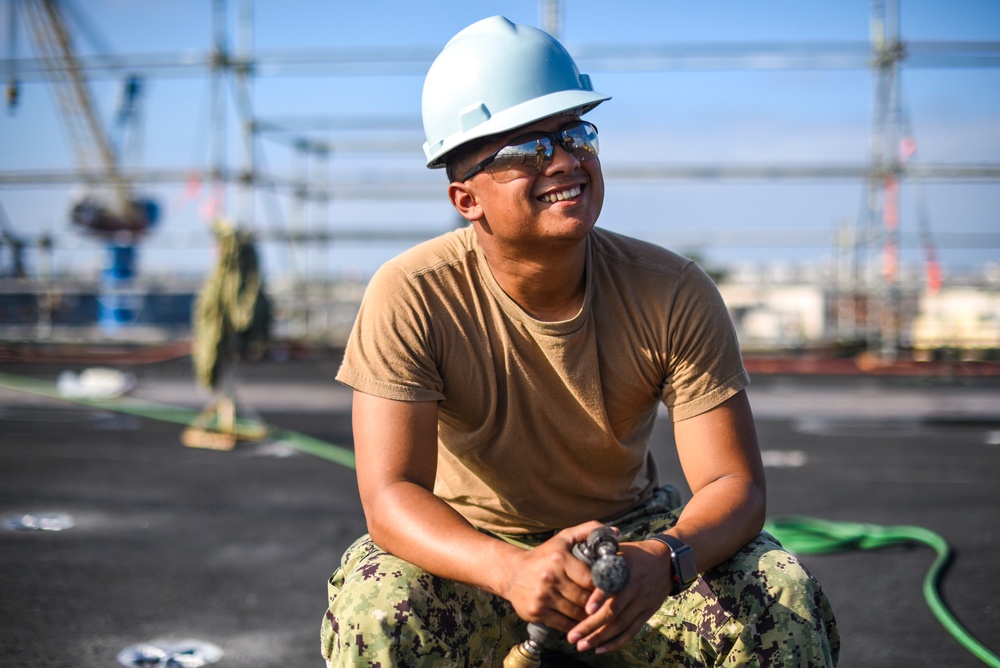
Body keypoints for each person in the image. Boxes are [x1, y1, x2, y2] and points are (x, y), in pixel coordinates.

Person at [321, 15, 839, 667]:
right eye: (528, 149)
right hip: (477, 550)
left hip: (628, 549)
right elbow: (391, 497)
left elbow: (734, 482)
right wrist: (509, 570)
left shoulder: (670, 289)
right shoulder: (413, 293)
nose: (565, 160)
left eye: (575, 134)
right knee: (377, 607)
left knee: (778, 600)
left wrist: (666, 560)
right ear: (465, 197)